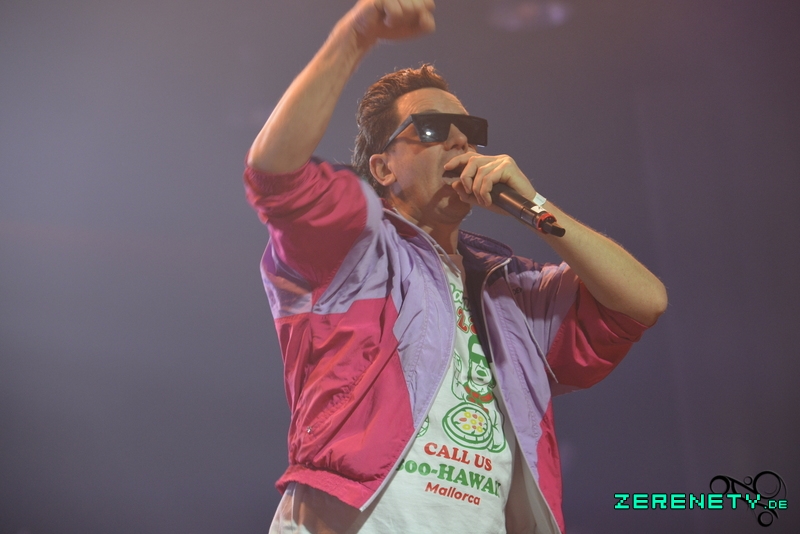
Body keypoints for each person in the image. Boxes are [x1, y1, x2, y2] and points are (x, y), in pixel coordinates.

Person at [243, 1, 667, 532]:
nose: (460, 141)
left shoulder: (509, 288)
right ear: (383, 167)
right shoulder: (353, 247)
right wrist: (356, 34)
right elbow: (274, 171)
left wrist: (536, 207)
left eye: (467, 129)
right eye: (430, 129)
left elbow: (643, 302)